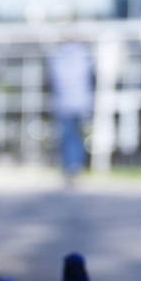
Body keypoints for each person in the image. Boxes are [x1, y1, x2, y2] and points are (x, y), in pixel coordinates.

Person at [48, 38, 94, 186]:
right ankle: (75, 166)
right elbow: (91, 80)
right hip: (81, 102)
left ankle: (68, 167)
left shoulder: (56, 57)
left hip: (62, 103)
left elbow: (51, 82)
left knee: (66, 136)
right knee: (77, 136)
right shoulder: (85, 57)